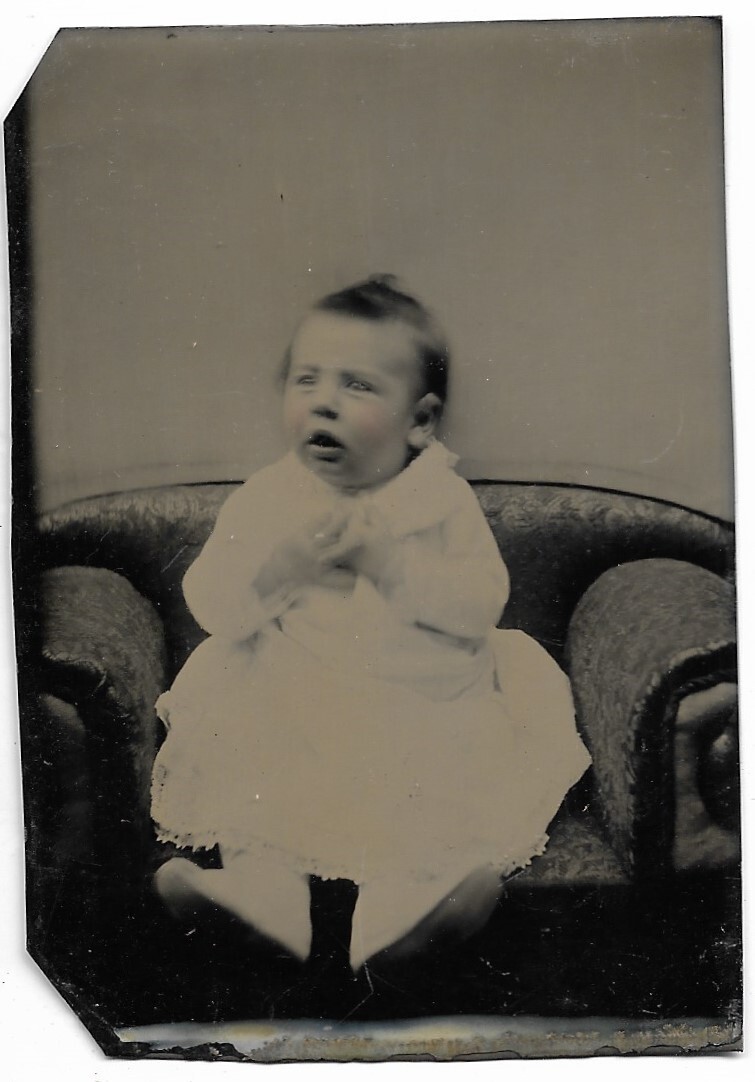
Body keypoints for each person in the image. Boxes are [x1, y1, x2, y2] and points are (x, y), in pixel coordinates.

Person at [151, 275, 591, 973]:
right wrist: (278, 569)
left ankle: (399, 924)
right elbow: (213, 605)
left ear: (419, 420)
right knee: (256, 766)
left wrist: (392, 566)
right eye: (306, 379)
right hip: (294, 694)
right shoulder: (271, 497)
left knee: (421, 805)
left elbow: (481, 605)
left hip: (419, 702)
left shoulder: (438, 500)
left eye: (357, 385)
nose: (323, 401)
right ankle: (265, 904)